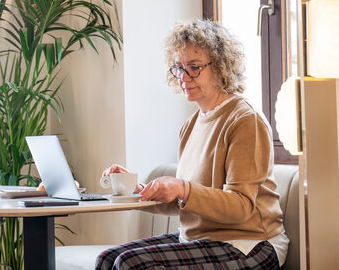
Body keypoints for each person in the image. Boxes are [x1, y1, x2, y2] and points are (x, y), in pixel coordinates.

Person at [96, 20, 288, 270]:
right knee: (108, 258)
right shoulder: (191, 124)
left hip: (250, 243)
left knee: (130, 264)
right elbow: (186, 202)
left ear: (221, 67)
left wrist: (184, 188)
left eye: (194, 67)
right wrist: (137, 190)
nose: (184, 77)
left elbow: (241, 208)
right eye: (179, 68)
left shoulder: (245, 119)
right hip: (201, 240)